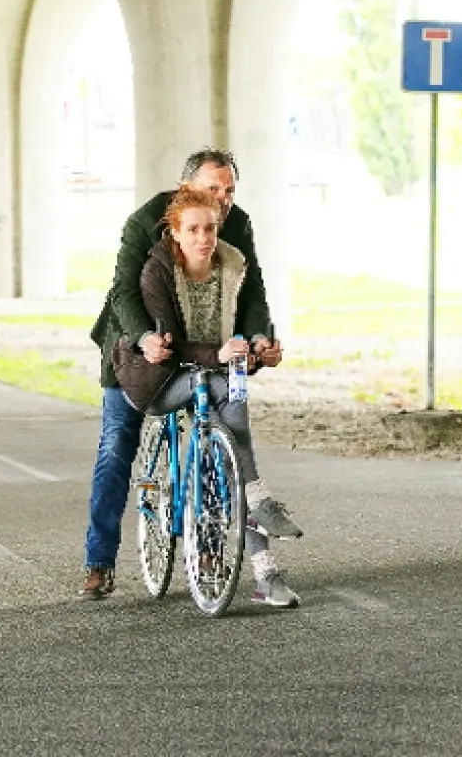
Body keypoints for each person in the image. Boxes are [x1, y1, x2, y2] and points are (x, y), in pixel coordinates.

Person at [80, 148, 302, 603]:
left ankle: (209, 549)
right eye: (211, 189)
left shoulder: (236, 224)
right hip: (138, 348)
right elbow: (124, 292)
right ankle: (98, 562)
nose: (222, 200)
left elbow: (252, 290)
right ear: (186, 189)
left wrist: (260, 337)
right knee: (116, 446)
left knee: (216, 432)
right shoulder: (145, 222)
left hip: (206, 344)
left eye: (229, 190)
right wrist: (144, 338)